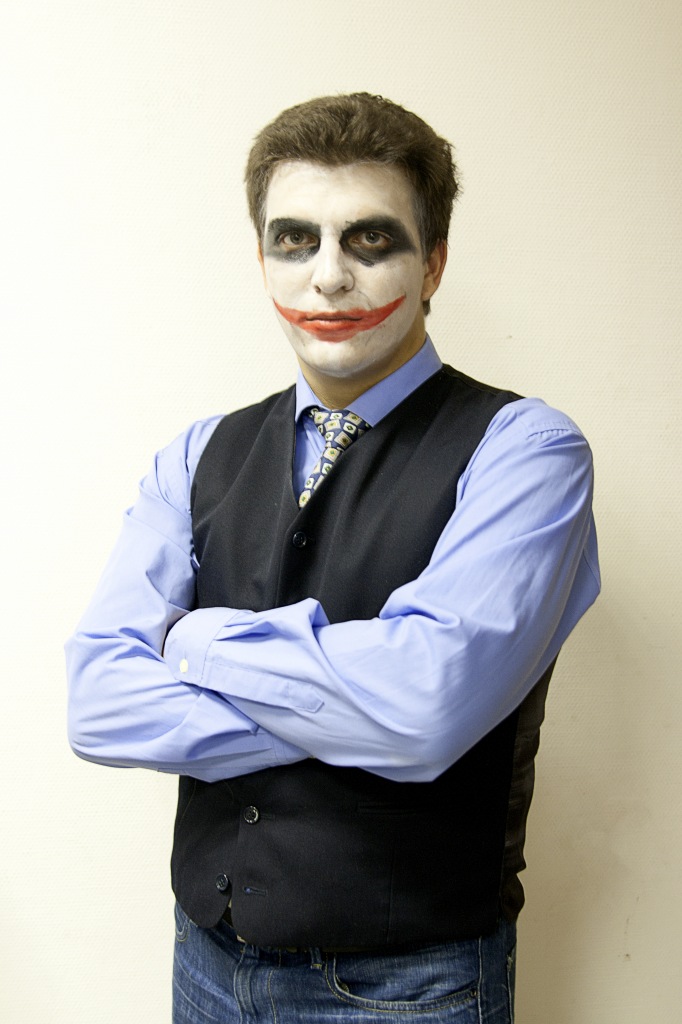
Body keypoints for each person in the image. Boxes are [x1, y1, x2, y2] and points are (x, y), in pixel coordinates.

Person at [66, 93, 600, 1023]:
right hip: (207, 964)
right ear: (261, 260)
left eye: (370, 240)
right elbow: (98, 702)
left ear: (433, 264)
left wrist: (190, 642)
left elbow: (427, 707)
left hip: (409, 988)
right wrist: (353, 716)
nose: (328, 278)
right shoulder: (197, 453)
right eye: (294, 241)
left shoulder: (526, 450)